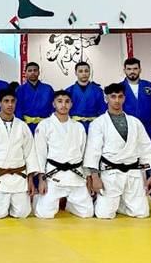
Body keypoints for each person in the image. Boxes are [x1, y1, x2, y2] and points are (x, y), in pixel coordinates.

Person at [85, 83, 151, 219]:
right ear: (106, 98)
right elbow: (93, 152)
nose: (117, 100)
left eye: (120, 96)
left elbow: (145, 149)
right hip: (110, 173)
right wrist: (95, 177)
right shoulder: (98, 123)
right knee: (104, 215)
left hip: (133, 172)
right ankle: (112, 203)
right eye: (113, 97)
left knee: (141, 213)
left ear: (124, 98)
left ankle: (119, 204)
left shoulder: (135, 122)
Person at [0, 87, 40, 219]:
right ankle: (0, 203)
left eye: (12, 101)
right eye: (6, 101)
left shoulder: (22, 126)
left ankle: (12, 203)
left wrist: (30, 180)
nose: (10, 104)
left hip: (19, 177)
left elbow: (30, 154)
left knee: (23, 213)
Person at [32, 90, 93, 219]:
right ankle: (39, 200)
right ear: (54, 104)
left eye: (67, 102)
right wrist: (41, 179)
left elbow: (84, 153)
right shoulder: (45, 125)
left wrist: (87, 177)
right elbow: (40, 153)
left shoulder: (79, 127)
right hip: (54, 175)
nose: (63, 105)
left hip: (75, 175)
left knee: (87, 213)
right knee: (44, 214)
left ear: (71, 104)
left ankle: (70, 204)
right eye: (59, 101)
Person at [120, 57, 151, 137]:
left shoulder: (150, 87)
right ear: (124, 70)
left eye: (135, 69)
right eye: (129, 69)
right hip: (126, 130)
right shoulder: (118, 88)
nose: (132, 71)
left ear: (140, 70)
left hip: (148, 129)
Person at [15, 61, 55, 133]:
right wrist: (21, 124)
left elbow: (53, 107)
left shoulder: (48, 89)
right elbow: (18, 109)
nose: (33, 72)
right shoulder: (20, 89)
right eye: (30, 71)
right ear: (26, 73)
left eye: (35, 70)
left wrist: (50, 122)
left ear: (39, 72)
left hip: (45, 124)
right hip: (26, 125)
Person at [64, 62, 106, 131]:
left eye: (86, 71)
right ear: (76, 73)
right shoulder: (69, 90)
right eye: (80, 71)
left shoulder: (98, 90)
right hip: (74, 125)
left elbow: (102, 109)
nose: (84, 74)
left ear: (90, 72)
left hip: (94, 125)